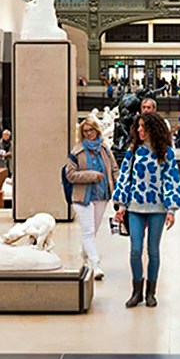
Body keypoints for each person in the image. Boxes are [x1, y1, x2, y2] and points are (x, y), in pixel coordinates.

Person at [112, 111, 180, 308]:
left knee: (153, 251)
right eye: (139, 126)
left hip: (158, 209)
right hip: (135, 207)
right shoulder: (133, 151)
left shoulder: (166, 153)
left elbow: (172, 180)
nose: (139, 130)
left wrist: (172, 209)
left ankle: (151, 292)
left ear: (154, 129)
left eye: (143, 126)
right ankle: (136, 291)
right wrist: (121, 206)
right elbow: (125, 178)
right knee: (135, 250)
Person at [65, 117, 117, 280]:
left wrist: (118, 189)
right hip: (82, 197)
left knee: (92, 231)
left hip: (101, 196)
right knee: (88, 231)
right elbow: (70, 174)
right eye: (85, 131)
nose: (89, 134)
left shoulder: (105, 149)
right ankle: (95, 263)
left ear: (97, 130)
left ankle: (85, 254)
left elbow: (114, 169)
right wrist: (91, 175)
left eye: (91, 130)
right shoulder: (77, 152)